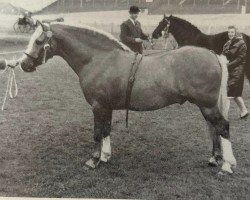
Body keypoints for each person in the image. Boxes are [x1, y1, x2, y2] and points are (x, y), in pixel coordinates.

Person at [222, 26, 249, 119]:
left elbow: (240, 59)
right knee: (235, 94)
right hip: (231, 71)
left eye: (232, 32)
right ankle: (244, 111)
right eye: (229, 32)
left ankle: (223, 115)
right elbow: (224, 55)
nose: (230, 34)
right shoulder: (228, 43)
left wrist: (227, 65)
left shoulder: (241, 44)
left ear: (236, 33)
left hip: (237, 72)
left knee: (228, 94)